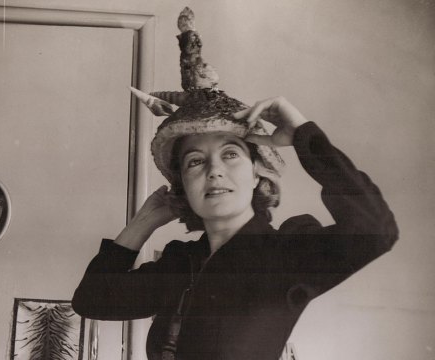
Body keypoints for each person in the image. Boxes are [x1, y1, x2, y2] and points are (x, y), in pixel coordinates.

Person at [72, 8, 398, 360]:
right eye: (195, 161)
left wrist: (304, 133)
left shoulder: (286, 252)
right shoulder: (181, 263)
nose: (214, 170)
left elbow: (376, 229)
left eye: (230, 154)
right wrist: (143, 223)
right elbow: (92, 300)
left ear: (257, 171)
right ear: (182, 180)